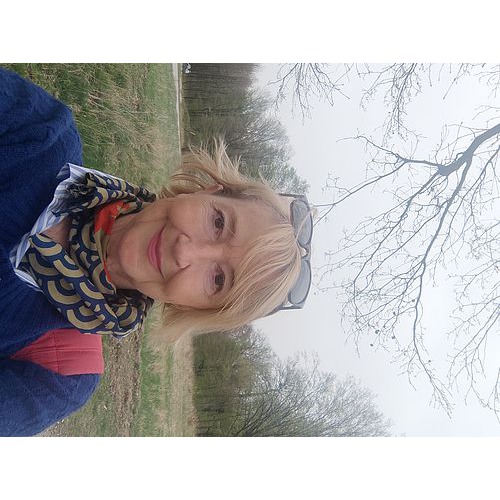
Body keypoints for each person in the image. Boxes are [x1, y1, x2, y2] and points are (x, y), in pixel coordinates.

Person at [0, 67, 313, 436]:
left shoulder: (60, 375)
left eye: (217, 279)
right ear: (207, 191)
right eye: (217, 222)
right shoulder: (41, 135)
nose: (186, 252)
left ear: (194, 307)